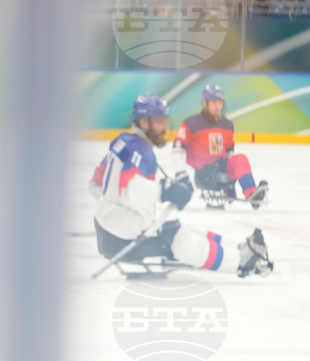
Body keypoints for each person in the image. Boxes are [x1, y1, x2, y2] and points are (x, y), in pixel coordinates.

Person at [89, 95, 273, 278]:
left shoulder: (124, 141)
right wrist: (166, 190)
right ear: (144, 123)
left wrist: (111, 211)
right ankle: (239, 261)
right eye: (159, 122)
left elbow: (96, 184)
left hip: (107, 230)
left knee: (174, 226)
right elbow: (133, 188)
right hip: (124, 240)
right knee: (179, 238)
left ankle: (235, 246)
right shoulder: (142, 151)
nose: (164, 128)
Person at [173, 84, 269, 209]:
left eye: (219, 102)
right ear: (204, 103)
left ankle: (251, 193)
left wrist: (231, 183)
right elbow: (177, 150)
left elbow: (229, 152)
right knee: (219, 171)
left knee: (240, 158)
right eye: (213, 102)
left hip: (221, 168)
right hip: (203, 173)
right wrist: (180, 173)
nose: (217, 106)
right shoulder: (191, 123)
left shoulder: (227, 125)